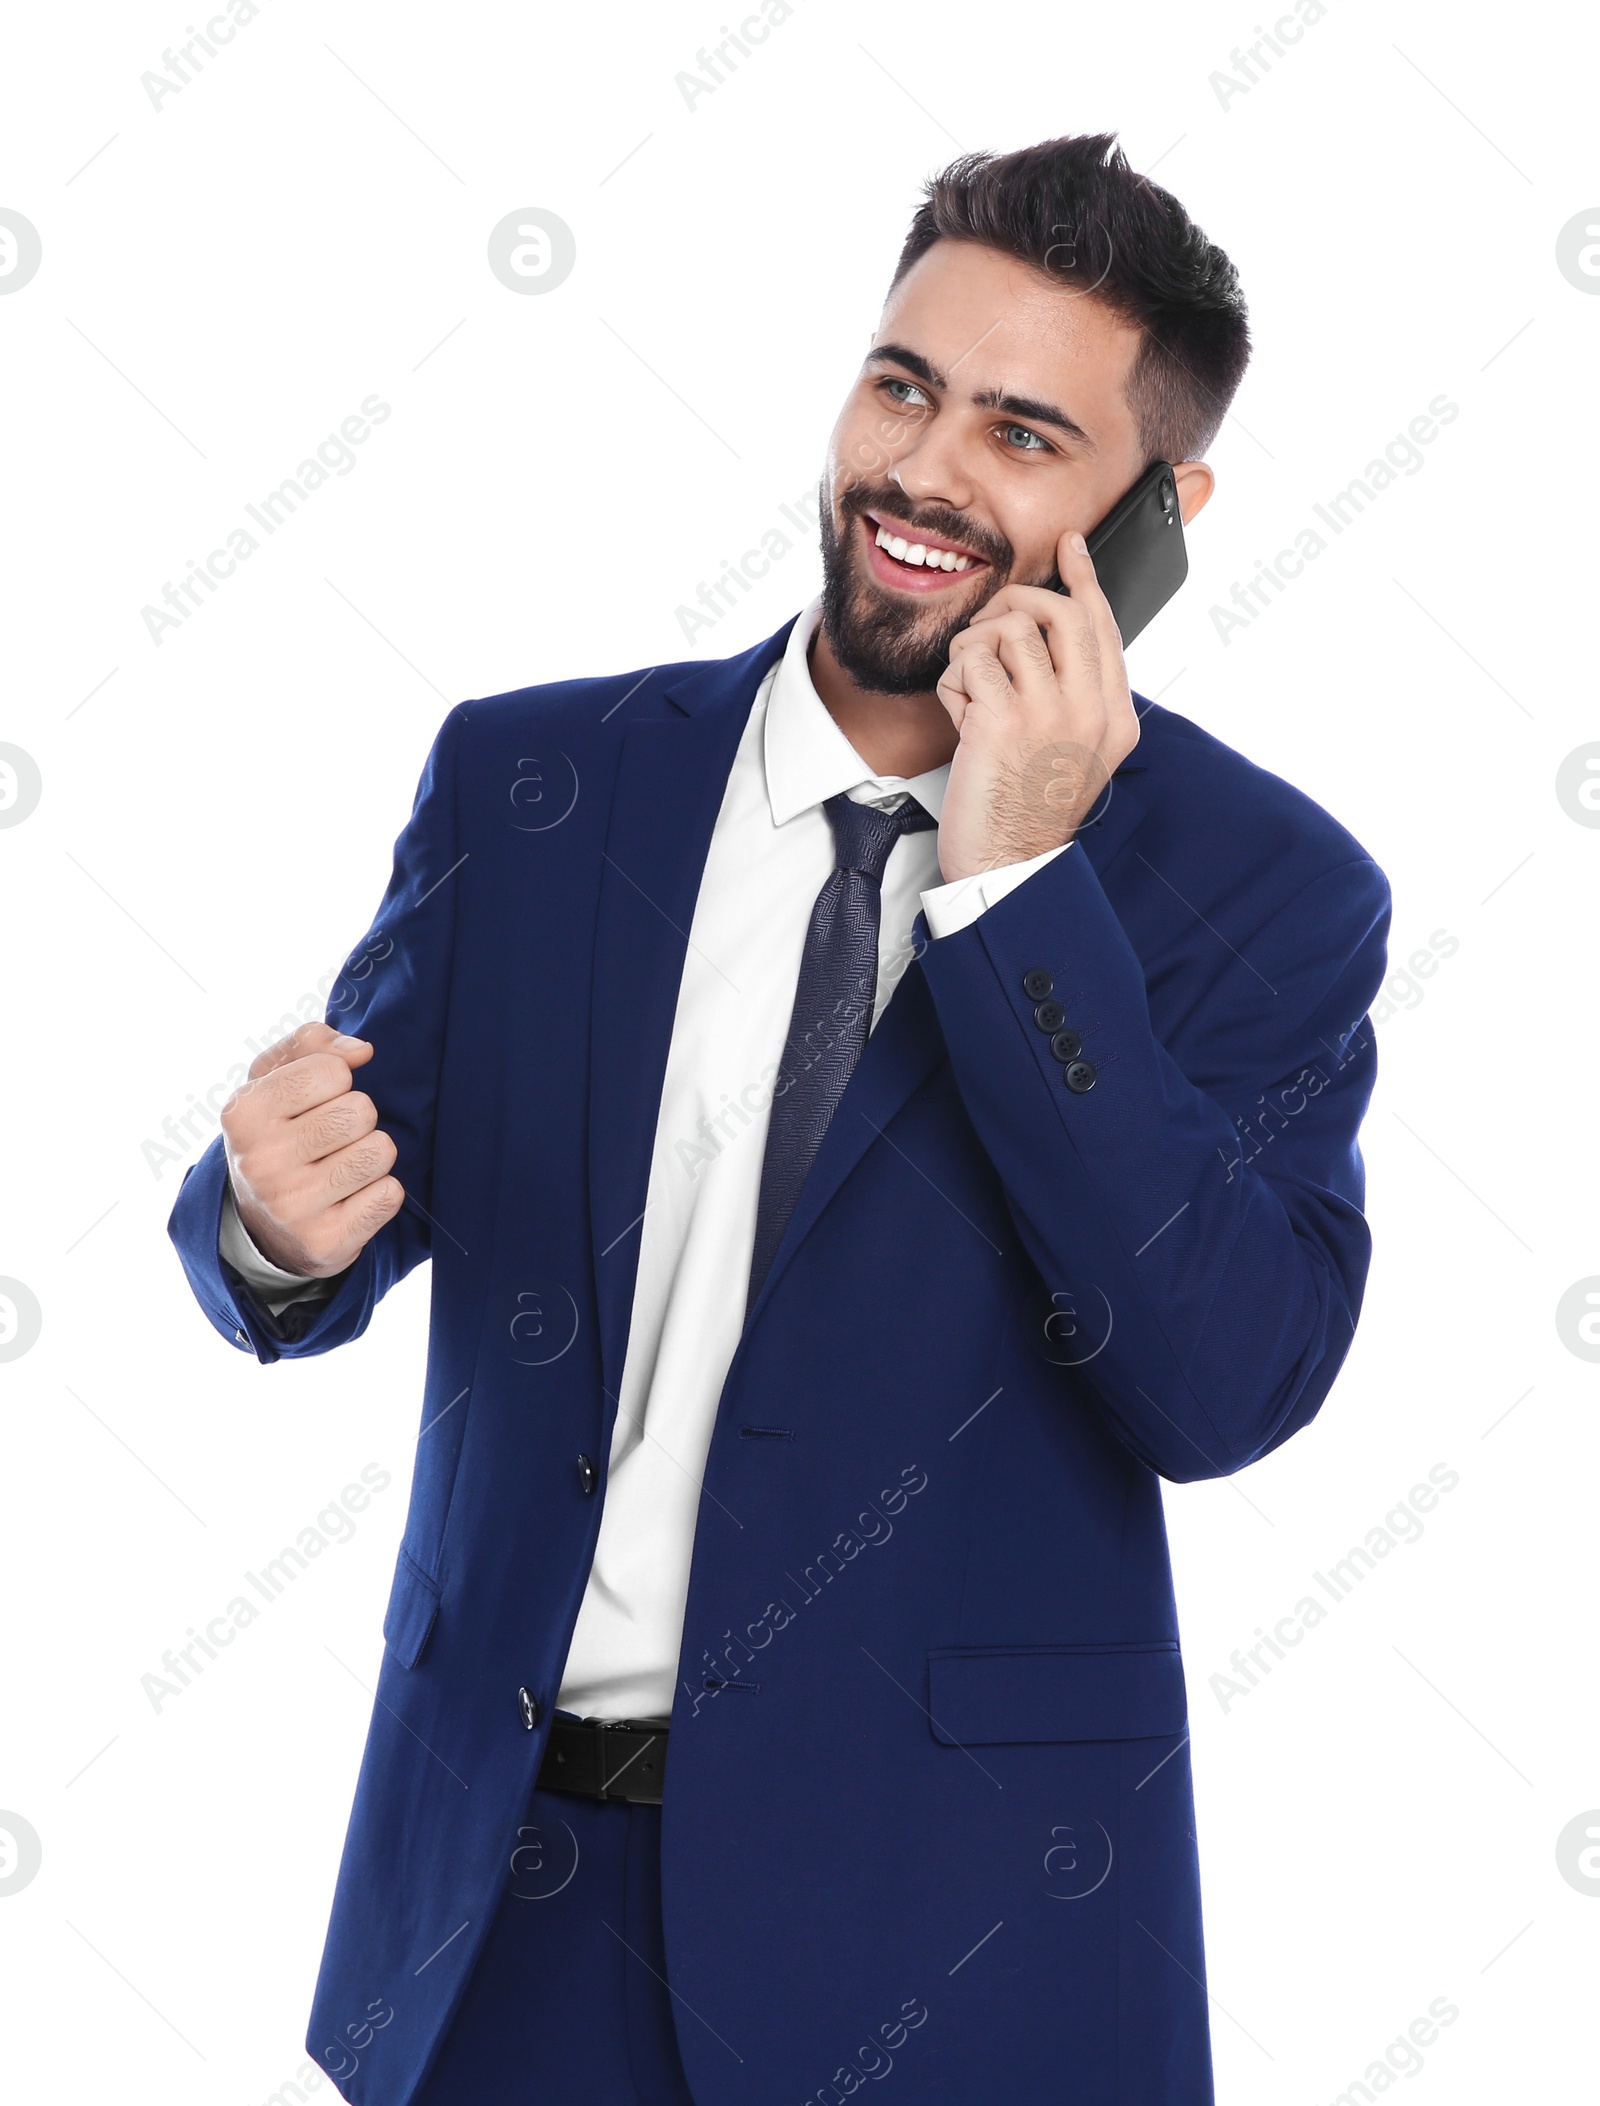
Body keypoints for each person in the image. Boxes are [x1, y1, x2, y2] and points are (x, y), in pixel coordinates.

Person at [169, 132, 1391, 2105]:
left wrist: (1012, 899)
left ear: (1152, 517)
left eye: (1018, 433)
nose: (919, 472)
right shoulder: (534, 782)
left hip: (954, 1942)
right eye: (900, 387)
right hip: (503, 1913)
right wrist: (268, 1234)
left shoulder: (1258, 891)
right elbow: (324, 1203)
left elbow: (1220, 1379)